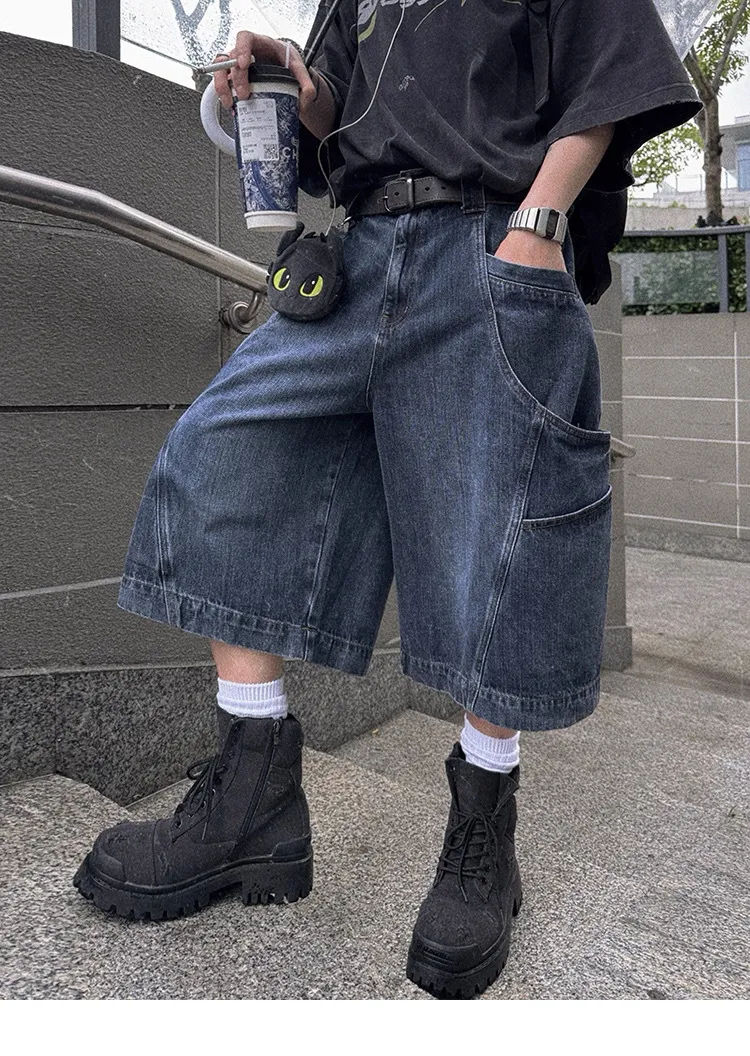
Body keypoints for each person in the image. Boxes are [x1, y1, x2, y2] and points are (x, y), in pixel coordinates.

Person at [73, 0, 702, 999]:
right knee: (221, 453)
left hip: (493, 238)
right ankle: (254, 795)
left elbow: (610, 78)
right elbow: (338, 115)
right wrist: (294, 80)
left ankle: (483, 829)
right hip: (358, 251)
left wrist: (539, 223)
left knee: (500, 532)